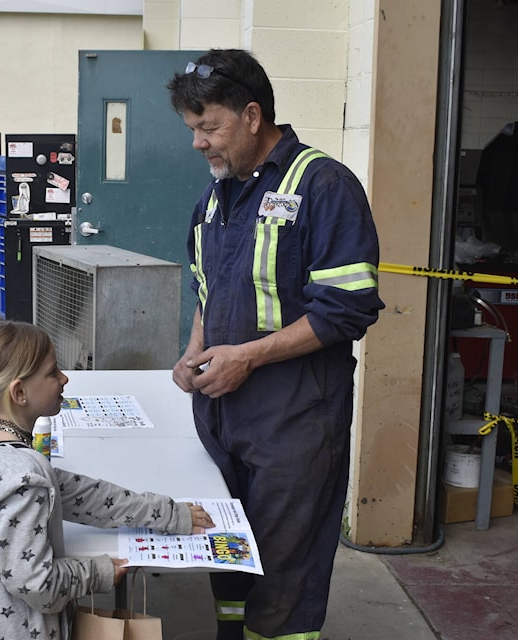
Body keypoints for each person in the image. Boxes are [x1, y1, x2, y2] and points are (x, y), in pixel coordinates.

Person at [167, 49, 384, 640]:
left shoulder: (324, 186)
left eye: (209, 127)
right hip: (224, 414)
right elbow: (209, 288)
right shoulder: (217, 196)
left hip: (294, 419)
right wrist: (195, 351)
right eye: (194, 130)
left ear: (253, 116)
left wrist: (248, 357)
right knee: (229, 555)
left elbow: (347, 308)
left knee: (286, 571)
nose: (199, 144)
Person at [0, 320, 216, 640]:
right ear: (19, 392)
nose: (65, 378)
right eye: (52, 372)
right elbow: (36, 583)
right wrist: (96, 572)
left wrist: (167, 513)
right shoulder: (22, 482)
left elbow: (86, 495)